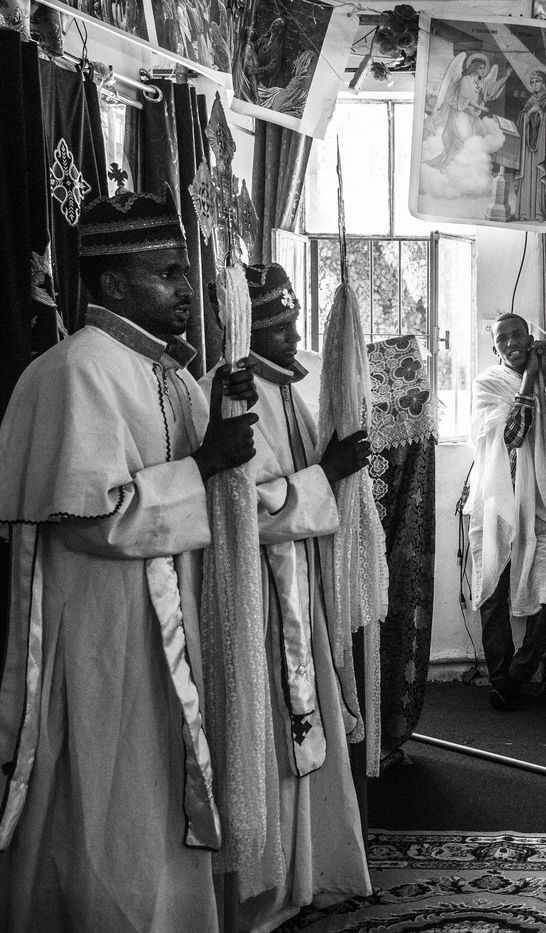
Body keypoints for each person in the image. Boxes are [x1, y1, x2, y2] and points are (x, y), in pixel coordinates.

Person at [0, 190, 260, 930]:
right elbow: (92, 521)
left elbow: (189, 466)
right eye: (168, 272)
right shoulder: (79, 370)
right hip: (104, 630)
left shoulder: (166, 372)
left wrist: (217, 405)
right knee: (109, 795)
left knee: (156, 785)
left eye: (185, 271)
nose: (186, 288)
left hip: (162, 618)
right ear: (113, 283)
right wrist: (203, 464)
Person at [213, 262, 372, 928]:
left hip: (302, 587)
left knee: (311, 727)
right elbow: (247, 508)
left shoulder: (285, 390)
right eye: (282, 326)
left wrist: (336, 464)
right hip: (264, 600)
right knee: (280, 736)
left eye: (296, 322)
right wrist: (326, 472)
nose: (296, 336)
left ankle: (317, 868)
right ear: (253, 331)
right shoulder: (237, 396)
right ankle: (275, 885)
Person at [468, 313, 546, 712]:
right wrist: (530, 376)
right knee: (493, 588)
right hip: (500, 500)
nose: (511, 342)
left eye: (518, 334)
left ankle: (519, 674)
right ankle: (500, 676)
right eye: (502, 338)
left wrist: (545, 371)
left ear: (531, 336)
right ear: (494, 348)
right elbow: (513, 433)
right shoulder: (488, 382)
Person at [514, 67, 546, 223]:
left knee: (540, 178)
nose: (534, 85)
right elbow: (522, 119)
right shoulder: (530, 100)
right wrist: (528, 114)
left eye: (537, 81)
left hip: (543, 148)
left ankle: (540, 212)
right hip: (528, 148)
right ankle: (524, 212)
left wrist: (540, 112)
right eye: (532, 82)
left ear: (544, 83)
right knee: (527, 177)